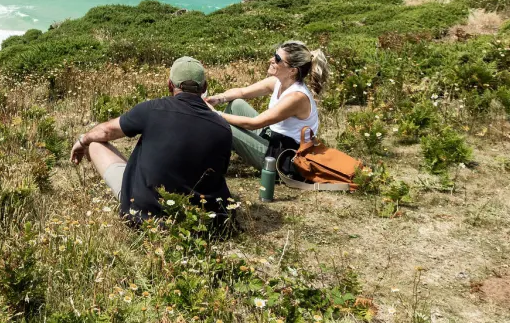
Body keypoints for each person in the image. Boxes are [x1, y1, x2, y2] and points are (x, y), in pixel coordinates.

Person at [71, 56, 231, 224]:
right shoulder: (223, 127)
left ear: (170, 84)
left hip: (145, 216)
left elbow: (105, 131)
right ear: (204, 87)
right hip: (202, 223)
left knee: (95, 143)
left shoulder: (152, 109)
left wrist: (83, 140)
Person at [206, 40, 327, 176]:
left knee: (226, 127)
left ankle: (208, 162)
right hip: (274, 138)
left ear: (292, 71)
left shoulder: (296, 97)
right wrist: (218, 98)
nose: (271, 60)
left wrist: (215, 113)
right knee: (236, 104)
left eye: (277, 59)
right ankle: (218, 152)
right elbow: (242, 92)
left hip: (282, 157)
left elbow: (254, 124)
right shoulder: (278, 82)